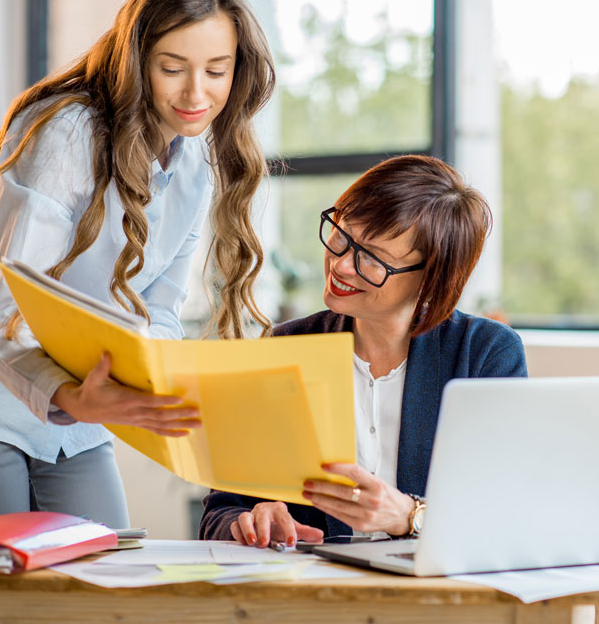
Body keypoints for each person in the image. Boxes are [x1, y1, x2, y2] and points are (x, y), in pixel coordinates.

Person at [0, 0, 275, 528]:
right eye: (172, 68)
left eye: (217, 70)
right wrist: (75, 396)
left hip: (85, 409)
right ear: (136, 61)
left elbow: (160, 311)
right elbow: (9, 317)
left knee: (109, 582)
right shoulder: (68, 134)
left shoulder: (193, 166)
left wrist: (167, 386)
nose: (196, 93)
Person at [200, 155, 527, 547]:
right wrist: (250, 520)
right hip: (316, 595)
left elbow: (507, 513)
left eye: (371, 259)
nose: (340, 265)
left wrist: (409, 516)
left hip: (435, 596)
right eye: (341, 235)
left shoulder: (485, 354)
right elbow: (220, 511)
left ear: (431, 279)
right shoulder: (284, 350)